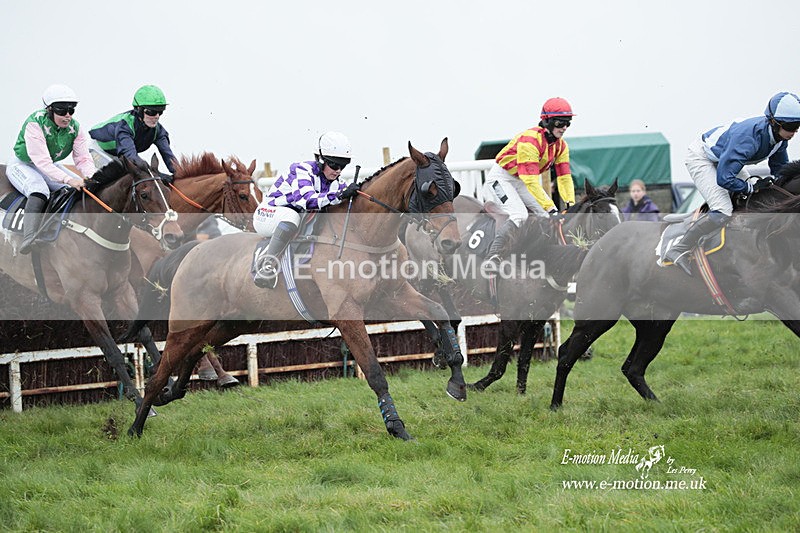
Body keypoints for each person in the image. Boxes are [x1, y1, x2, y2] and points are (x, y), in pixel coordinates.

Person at [662, 91, 800, 276]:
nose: (794, 132)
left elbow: (780, 170)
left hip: (724, 159)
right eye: (790, 126)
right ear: (773, 122)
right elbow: (724, 179)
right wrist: (750, 187)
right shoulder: (748, 139)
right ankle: (679, 247)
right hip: (702, 158)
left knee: (755, 200)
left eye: (797, 126)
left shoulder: (780, 139)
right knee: (722, 211)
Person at [251, 131, 360, 288]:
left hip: (293, 215)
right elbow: (306, 201)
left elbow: (340, 196)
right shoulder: (302, 170)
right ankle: (267, 266)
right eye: (334, 165)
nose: (338, 171)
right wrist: (340, 195)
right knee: (291, 216)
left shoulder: (336, 180)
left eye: (343, 166)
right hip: (268, 215)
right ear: (320, 160)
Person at [481, 97, 577, 265]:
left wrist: (570, 204)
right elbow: (532, 182)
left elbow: (564, 177)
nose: (564, 128)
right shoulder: (530, 141)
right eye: (560, 123)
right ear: (548, 121)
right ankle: (493, 255)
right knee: (520, 214)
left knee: (549, 216)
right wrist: (550, 207)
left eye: (568, 123)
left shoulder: (561, 146)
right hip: (501, 178)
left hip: (521, 181)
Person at [7, 84, 96, 254]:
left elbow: (83, 158)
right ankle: (29, 236)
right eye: (62, 110)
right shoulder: (35, 123)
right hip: (23, 164)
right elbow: (42, 162)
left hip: (49, 165)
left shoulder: (75, 128)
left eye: (71, 110)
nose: (68, 115)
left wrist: (91, 177)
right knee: (39, 189)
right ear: (49, 109)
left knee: (71, 191)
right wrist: (70, 179)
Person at [88, 85, 177, 174]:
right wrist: (155, 173)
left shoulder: (159, 131)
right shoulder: (125, 126)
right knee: (120, 176)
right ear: (139, 109)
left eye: (160, 112)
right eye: (152, 112)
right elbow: (131, 157)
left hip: (119, 155)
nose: (157, 116)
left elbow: (168, 156)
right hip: (99, 150)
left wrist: (179, 173)